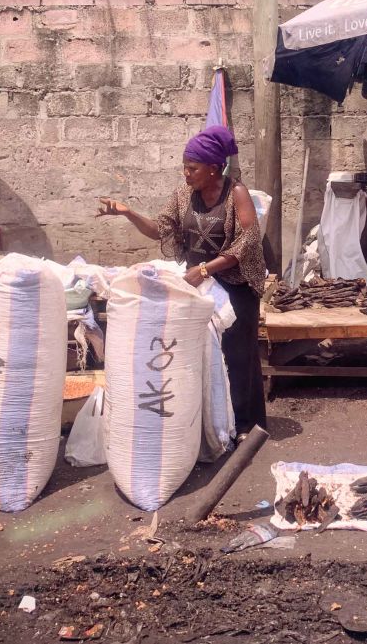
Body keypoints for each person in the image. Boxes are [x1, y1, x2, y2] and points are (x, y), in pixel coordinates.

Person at [96, 126, 267, 435]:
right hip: (198, 285)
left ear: (213, 169)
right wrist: (128, 213)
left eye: (192, 168)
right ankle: (211, 425)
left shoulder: (236, 193)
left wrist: (205, 269)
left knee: (238, 355)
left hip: (234, 284)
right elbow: (161, 229)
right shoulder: (183, 196)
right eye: (184, 167)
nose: (186, 173)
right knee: (200, 355)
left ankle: (246, 426)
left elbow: (248, 242)